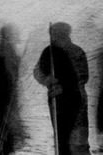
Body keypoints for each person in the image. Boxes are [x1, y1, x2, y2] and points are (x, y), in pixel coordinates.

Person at [33, 22, 89, 155]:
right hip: (56, 102)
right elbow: (38, 71)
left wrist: (63, 86)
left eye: (54, 34)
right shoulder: (48, 52)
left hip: (76, 101)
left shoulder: (76, 51)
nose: (52, 37)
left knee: (78, 141)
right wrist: (47, 80)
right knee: (61, 139)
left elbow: (83, 76)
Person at [0, 24, 25, 154]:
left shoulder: (7, 54)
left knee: (6, 143)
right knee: (3, 142)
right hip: (2, 106)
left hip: (5, 105)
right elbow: (2, 84)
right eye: (12, 37)